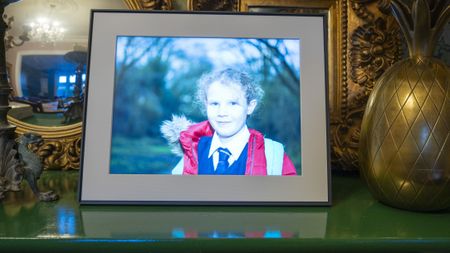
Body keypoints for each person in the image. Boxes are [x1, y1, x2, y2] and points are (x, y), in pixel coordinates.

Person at [161, 68, 297, 176]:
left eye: (233, 103)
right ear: (205, 105)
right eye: (214, 104)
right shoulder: (191, 153)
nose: (222, 112)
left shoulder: (273, 156)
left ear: (250, 106)